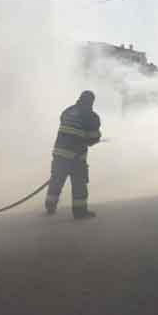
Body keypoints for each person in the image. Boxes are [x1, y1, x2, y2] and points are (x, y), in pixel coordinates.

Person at [45, 91, 101, 219]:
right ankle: (80, 212)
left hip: (59, 153)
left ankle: (50, 206)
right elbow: (93, 138)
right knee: (79, 184)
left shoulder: (68, 111)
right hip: (76, 157)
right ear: (91, 102)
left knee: (56, 181)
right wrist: (93, 139)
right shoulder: (91, 116)